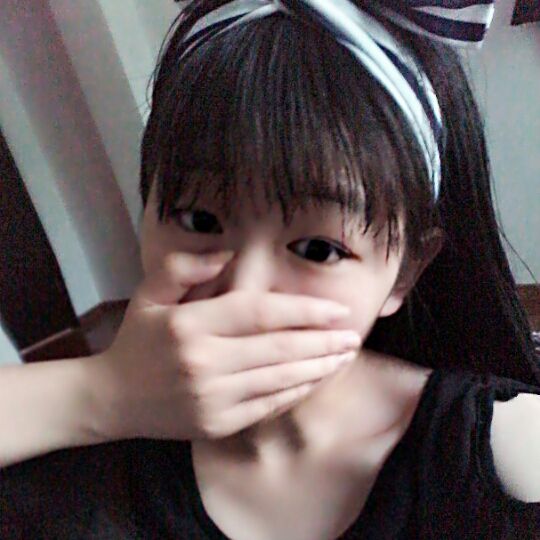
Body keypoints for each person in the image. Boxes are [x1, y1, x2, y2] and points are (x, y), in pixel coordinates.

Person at [1, 0, 540, 538]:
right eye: (200, 219)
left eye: (318, 249)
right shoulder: (81, 464)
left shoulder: (505, 456)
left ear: (404, 273)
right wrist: (102, 393)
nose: (243, 291)